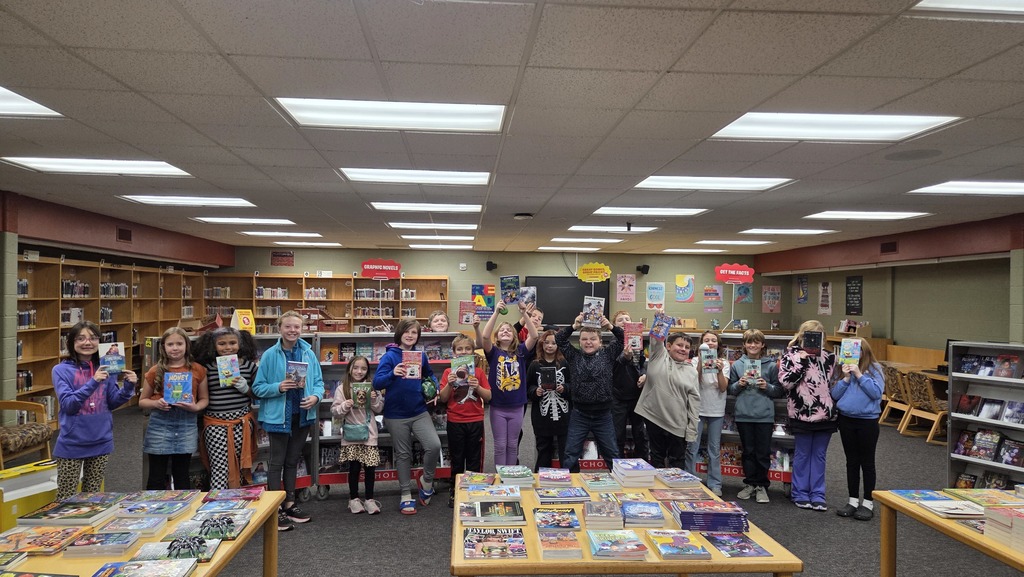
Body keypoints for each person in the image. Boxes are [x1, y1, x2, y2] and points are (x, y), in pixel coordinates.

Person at [252, 311, 324, 530]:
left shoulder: (308, 353)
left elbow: (319, 382)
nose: (293, 331)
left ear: (302, 329)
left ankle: (290, 504)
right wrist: (278, 387)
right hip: (277, 417)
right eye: (288, 327)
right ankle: (276, 509)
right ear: (279, 329)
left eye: (297, 327)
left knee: (293, 460)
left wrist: (315, 397)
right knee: (276, 462)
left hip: (302, 415)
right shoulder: (270, 355)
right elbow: (257, 388)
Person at [51, 321, 138, 501]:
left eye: (92, 338)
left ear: (100, 342)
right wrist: (94, 381)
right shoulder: (60, 370)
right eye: (81, 338)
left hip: (101, 440)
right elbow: (69, 405)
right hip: (72, 443)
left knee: (93, 497)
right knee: (66, 498)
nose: (87, 342)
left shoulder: (107, 368)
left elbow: (112, 402)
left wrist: (129, 387)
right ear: (72, 343)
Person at [372, 318, 442, 515]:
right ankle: (405, 494)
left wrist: (434, 387)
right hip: (395, 414)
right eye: (407, 332)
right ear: (400, 333)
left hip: (419, 411)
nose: (410, 336)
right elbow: (377, 383)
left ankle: (426, 480)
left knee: (433, 445)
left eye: (414, 333)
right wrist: (393, 373)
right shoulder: (389, 357)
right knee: (403, 454)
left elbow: (430, 375)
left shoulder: (420, 355)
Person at [139, 327, 209, 493]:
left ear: (187, 345)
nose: (175, 348)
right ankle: (152, 511)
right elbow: (142, 401)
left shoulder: (198, 370)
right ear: (163, 347)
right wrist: (156, 404)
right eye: (170, 344)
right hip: (160, 425)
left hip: (186, 425)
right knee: (156, 475)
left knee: (182, 474)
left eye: (179, 343)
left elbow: (204, 399)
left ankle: (182, 511)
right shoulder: (155, 370)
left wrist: (195, 407)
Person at [780, 320, 838, 512]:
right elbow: (786, 383)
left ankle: (818, 494)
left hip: (824, 413)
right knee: (803, 454)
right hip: (801, 412)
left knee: (819, 455)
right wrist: (802, 362)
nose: (814, 340)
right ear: (802, 336)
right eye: (810, 335)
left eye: (818, 336)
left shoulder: (830, 357)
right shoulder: (790, 356)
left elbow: (833, 384)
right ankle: (800, 493)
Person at [194, 326, 259, 490]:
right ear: (213, 346)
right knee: (219, 465)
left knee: (241, 462)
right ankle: (218, 501)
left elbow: (258, 394)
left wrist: (246, 389)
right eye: (222, 344)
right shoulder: (206, 368)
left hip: (242, 422)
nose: (228, 347)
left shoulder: (249, 367)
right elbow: (199, 394)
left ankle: (239, 499)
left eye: (232, 343)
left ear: (240, 344)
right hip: (215, 422)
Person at [555, 313, 622, 472]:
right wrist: (575, 325)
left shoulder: (608, 354)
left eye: (592, 339)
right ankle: (571, 489)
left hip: (603, 415)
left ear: (600, 341)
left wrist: (610, 326)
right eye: (584, 339)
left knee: (612, 454)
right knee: (570, 455)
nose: (588, 342)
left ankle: (620, 487)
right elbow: (559, 339)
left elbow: (624, 338)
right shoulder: (573, 355)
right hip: (580, 414)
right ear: (579, 342)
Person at [476, 301, 538, 467]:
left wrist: (525, 314)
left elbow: (534, 335)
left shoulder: (521, 352)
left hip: (517, 406)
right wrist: (496, 312)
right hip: (498, 406)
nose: (505, 331)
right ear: (498, 336)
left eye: (509, 330)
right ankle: (501, 477)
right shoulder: (493, 352)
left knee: (512, 445)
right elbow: (485, 337)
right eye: (502, 330)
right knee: (500, 446)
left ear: (514, 336)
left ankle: (510, 477)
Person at [831, 338, 884, 521]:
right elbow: (835, 395)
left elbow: (876, 393)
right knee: (851, 461)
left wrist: (859, 375)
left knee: (867, 462)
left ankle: (868, 502)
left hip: (867, 422)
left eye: (856, 351)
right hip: (846, 420)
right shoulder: (844, 369)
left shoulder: (875, 369)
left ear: (864, 352)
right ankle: (853, 500)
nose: (852, 355)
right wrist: (846, 378)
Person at [728, 329, 782, 504]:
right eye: (749, 342)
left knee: (762, 453)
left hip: (764, 416)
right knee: (748, 451)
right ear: (744, 345)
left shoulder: (772, 365)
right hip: (744, 414)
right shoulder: (737, 365)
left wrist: (767, 386)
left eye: (756, 342)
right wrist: (739, 384)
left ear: (762, 345)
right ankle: (750, 483)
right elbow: (730, 390)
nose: (753, 345)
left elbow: (779, 391)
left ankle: (762, 486)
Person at [438, 332, 491, 507]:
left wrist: (477, 387)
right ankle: (455, 492)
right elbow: (444, 398)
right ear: (453, 353)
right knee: (457, 458)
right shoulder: (448, 372)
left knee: (474, 459)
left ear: (473, 352)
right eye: (459, 349)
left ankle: (474, 490)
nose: (463, 352)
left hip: (475, 420)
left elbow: (488, 397)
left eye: (467, 349)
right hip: (455, 421)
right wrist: (449, 384)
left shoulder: (478, 373)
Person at [634, 333, 700, 469]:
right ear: (668, 346)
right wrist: (661, 319)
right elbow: (656, 339)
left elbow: (694, 403)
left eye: (687, 347)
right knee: (657, 458)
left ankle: (676, 490)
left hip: (678, 425)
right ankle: (655, 490)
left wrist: (692, 430)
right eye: (679, 345)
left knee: (677, 462)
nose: (683, 349)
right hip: (655, 419)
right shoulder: (658, 357)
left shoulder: (692, 372)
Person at [331, 356, 384, 515]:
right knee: (353, 468)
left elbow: (379, 409)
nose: (359, 371)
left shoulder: (372, 387)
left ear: (368, 371)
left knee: (370, 468)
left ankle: (369, 499)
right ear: (349, 368)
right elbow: (334, 411)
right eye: (356, 367)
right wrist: (345, 405)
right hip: (351, 435)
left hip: (369, 434)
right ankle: (353, 499)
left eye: (363, 368)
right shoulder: (342, 388)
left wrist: (374, 400)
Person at [684, 331, 730, 496]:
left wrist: (719, 370)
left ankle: (715, 483)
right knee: (692, 446)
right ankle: (690, 480)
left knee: (714, 449)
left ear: (718, 344)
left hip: (716, 409)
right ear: (701, 344)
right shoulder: (695, 360)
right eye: (706, 340)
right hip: (697, 409)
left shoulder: (724, 362)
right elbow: (693, 383)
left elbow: (723, 387)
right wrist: (702, 363)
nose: (710, 343)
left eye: (713, 340)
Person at [526, 329, 570, 473]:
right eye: (547, 342)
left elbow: (573, 384)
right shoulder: (534, 365)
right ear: (541, 344)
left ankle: (570, 479)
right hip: (541, 417)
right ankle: (541, 478)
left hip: (564, 415)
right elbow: (528, 387)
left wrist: (565, 388)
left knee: (566, 450)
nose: (550, 346)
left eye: (554, 343)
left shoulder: (565, 363)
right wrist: (535, 391)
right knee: (543, 449)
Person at [610, 311, 648, 462]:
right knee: (618, 435)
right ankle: (617, 467)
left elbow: (643, 363)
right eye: (620, 320)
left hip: (637, 395)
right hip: (618, 396)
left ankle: (644, 465)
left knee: (640, 434)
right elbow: (614, 367)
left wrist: (645, 375)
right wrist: (624, 357)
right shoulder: (613, 345)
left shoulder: (639, 343)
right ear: (614, 325)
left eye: (627, 319)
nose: (625, 322)